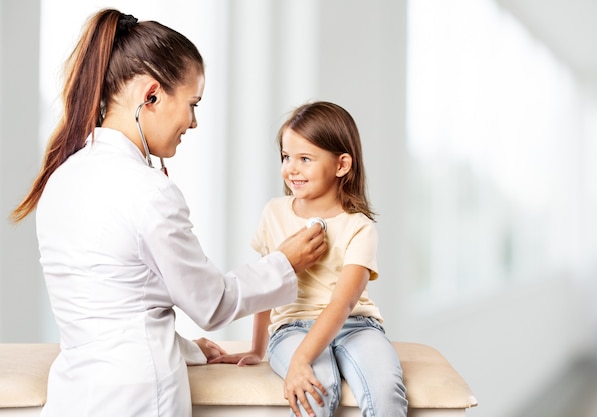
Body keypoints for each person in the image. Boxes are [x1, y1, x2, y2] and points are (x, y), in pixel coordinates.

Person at [10, 9, 326, 417]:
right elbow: (212, 304)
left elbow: (111, 303)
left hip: (75, 395)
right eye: (192, 103)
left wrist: (186, 348)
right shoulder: (149, 191)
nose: (193, 122)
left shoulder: (62, 178)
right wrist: (285, 263)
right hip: (141, 397)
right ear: (152, 95)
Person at [211, 101, 408, 416]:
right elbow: (266, 283)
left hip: (356, 325)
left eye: (305, 158)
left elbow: (342, 304)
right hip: (292, 328)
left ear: (342, 165)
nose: (291, 168)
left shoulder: (360, 227)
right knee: (318, 387)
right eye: (287, 157)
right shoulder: (274, 212)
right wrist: (258, 348)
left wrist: (302, 358)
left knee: (386, 391)